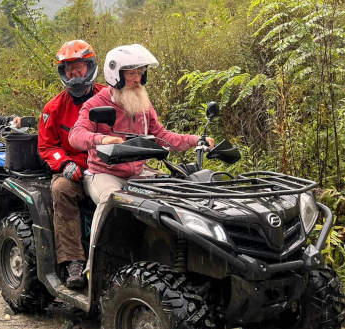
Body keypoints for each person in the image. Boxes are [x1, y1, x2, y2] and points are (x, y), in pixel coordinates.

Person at [69, 44, 214, 258]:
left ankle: (175, 255)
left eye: (140, 73)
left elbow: (162, 135)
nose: (137, 79)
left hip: (139, 172)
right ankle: (95, 262)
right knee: (111, 200)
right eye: (131, 74)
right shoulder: (95, 104)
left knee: (177, 193)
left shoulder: (142, 103)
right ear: (116, 75)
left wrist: (196, 140)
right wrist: (102, 139)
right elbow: (75, 135)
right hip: (104, 173)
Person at [38, 40, 106, 290]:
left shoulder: (109, 97)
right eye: (69, 70)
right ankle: (73, 261)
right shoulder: (53, 108)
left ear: (90, 67)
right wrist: (64, 163)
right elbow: (46, 146)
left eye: (79, 68)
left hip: (109, 166)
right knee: (61, 190)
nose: (74, 74)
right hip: (75, 170)